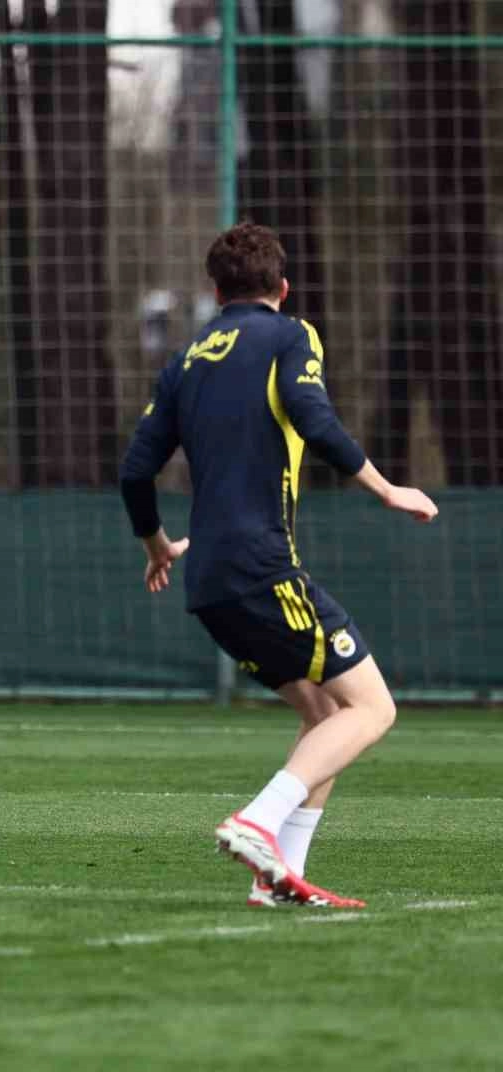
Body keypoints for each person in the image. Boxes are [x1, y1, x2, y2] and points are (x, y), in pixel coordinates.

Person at [119, 221, 438, 907]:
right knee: (373, 707)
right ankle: (257, 821)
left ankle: (278, 878)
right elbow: (314, 419)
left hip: (208, 581)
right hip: (261, 568)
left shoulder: (186, 360)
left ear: (216, 292)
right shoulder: (291, 336)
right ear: (283, 288)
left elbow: (135, 471)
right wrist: (387, 489)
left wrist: (156, 546)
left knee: (326, 713)